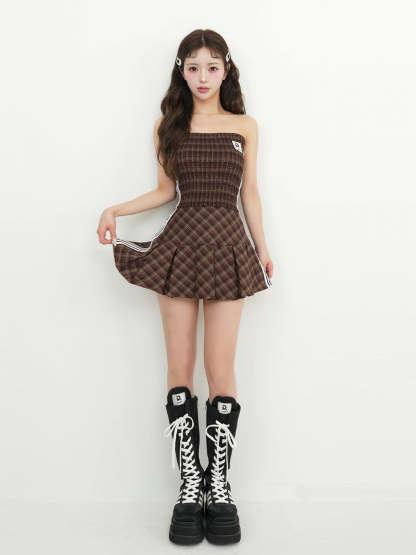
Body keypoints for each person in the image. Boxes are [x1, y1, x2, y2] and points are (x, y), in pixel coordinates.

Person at [97, 28, 274, 545]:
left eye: (212, 66)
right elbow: (164, 191)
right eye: (193, 67)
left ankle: (219, 487)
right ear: (181, 70)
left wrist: (262, 247)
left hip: (228, 247)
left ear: (226, 70)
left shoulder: (245, 126)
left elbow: (250, 193)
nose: (202, 77)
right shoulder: (168, 125)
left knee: (220, 369)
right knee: (179, 369)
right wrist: (114, 209)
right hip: (180, 245)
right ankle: (189, 487)